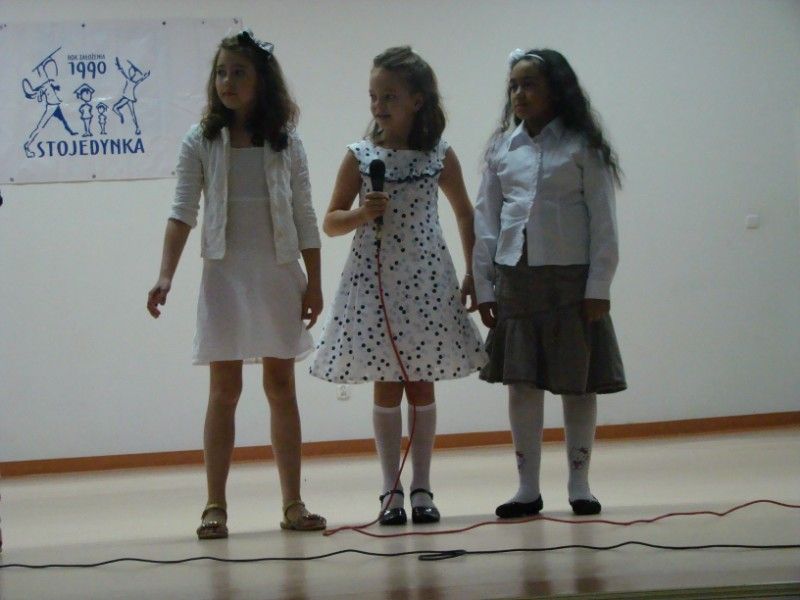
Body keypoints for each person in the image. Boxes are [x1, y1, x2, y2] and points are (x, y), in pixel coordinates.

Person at [147, 30, 326, 537]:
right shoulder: (200, 140)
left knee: (281, 386)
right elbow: (182, 211)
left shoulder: (287, 142)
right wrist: (165, 274)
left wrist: (314, 283)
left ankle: (293, 504)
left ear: (261, 80)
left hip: (277, 275)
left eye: (239, 72)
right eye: (221, 72)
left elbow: (305, 216)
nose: (227, 81)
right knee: (224, 390)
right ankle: (214, 506)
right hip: (224, 277)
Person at [310, 46, 486, 526]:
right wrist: (361, 214)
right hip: (376, 283)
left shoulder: (439, 154)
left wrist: (474, 273)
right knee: (387, 385)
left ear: (417, 100)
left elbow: (465, 213)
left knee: (421, 382)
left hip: (427, 280)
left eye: (389, 96)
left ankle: (422, 486)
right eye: (373, 95)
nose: (378, 105)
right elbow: (330, 222)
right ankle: (390, 491)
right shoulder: (360, 156)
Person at [473, 48, 627, 518]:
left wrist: (599, 285)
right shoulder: (502, 149)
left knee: (578, 384)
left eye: (530, 84)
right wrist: (485, 286)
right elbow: (486, 221)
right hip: (517, 280)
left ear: (556, 90)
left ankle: (580, 484)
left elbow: (604, 222)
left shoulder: (582, 147)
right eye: (513, 86)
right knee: (522, 385)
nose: (519, 94)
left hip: (571, 282)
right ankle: (527, 489)